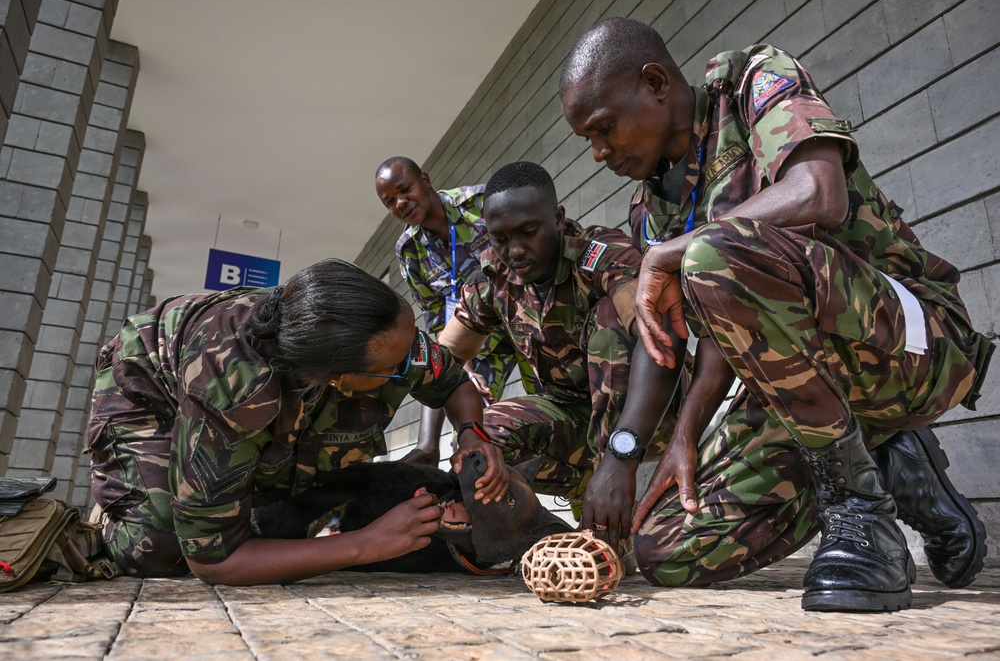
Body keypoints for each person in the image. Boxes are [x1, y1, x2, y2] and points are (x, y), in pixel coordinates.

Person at [560, 17, 993, 611]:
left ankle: (861, 510)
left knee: (712, 251)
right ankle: (889, 459)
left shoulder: (753, 80)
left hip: (917, 344)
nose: (598, 152)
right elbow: (713, 338)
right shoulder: (651, 208)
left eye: (603, 129)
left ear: (656, 82)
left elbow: (820, 189)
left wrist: (674, 252)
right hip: (804, 391)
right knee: (666, 548)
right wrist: (682, 435)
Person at [86, 259, 509, 586]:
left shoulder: (377, 331)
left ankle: (227, 489)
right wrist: (363, 545)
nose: (411, 364)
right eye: (395, 366)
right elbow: (214, 562)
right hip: (149, 383)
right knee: (160, 549)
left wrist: (473, 433)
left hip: (280, 387)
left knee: (297, 481)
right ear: (338, 378)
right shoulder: (232, 395)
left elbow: (453, 382)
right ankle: (127, 503)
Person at [438, 161, 685, 549]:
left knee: (611, 317)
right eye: (500, 238)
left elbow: (653, 330)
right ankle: (544, 528)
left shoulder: (599, 253)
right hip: (569, 420)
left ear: (557, 218)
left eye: (528, 232)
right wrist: (429, 444)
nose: (514, 251)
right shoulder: (494, 280)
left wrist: (619, 458)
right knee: (484, 435)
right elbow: (440, 362)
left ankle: (613, 506)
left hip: (646, 414)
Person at [375, 157, 532, 464]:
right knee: (470, 434)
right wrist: (466, 369)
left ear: (425, 179)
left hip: (527, 321)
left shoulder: (480, 202)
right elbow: (435, 318)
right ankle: (431, 451)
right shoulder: (409, 250)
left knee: (553, 405)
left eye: (405, 189)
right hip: (479, 344)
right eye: (390, 202)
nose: (401, 203)